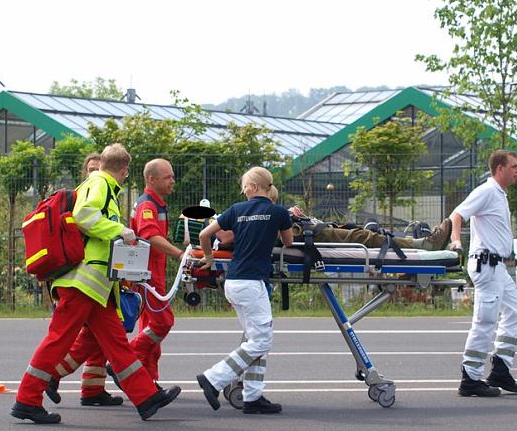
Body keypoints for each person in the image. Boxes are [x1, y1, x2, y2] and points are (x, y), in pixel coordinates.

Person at [11, 143, 181, 424]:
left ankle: (146, 397)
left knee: (117, 345)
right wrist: (120, 230)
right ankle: (27, 400)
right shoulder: (100, 183)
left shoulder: (101, 186)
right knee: (58, 340)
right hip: (83, 283)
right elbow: (85, 217)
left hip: (97, 285)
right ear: (124, 170)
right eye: (127, 172)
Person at [195, 166, 293, 414]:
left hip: (235, 281)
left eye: (244, 187)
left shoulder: (236, 210)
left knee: (256, 341)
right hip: (252, 284)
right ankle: (213, 378)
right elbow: (289, 242)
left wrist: (208, 258)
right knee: (262, 341)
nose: (243, 191)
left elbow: (205, 234)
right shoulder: (278, 212)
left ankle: (252, 397)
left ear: (253, 187)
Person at [45, 152, 124, 407]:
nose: (94, 174)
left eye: (96, 168)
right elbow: (87, 226)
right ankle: (51, 376)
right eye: (90, 169)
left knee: (95, 341)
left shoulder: (109, 197)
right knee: (83, 339)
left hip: (101, 280)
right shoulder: (94, 190)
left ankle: (92, 389)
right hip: (83, 280)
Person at [450, 149, 517, 398]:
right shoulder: (486, 191)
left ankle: (501, 369)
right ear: (500, 168)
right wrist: (456, 242)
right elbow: (457, 215)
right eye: (514, 166)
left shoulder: (500, 194)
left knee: (515, 311)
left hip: (498, 267)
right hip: (487, 265)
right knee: (485, 321)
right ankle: (470, 377)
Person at [129, 158, 186, 385]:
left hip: (151, 275)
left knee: (149, 331)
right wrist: (180, 254)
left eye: (172, 176)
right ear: (151, 180)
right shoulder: (147, 206)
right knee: (162, 323)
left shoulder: (156, 204)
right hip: (148, 276)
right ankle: (126, 359)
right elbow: (150, 237)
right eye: (167, 177)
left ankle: (147, 381)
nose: (173, 181)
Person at [286, 207, 452, 251]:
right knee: (361, 236)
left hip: (301, 230)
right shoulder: (264, 211)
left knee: (361, 232)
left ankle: (421, 242)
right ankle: (425, 244)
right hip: (300, 234)